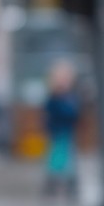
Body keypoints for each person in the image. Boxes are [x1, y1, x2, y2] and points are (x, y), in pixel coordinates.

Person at [43, 61, 82, 198]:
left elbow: (74, 114)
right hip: (56, 133)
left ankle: (70, 183)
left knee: (68, 159)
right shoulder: (53, 98)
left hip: (67, 132)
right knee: (55, 159)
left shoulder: (70, 98)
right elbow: (48, 115)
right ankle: (52, 183)